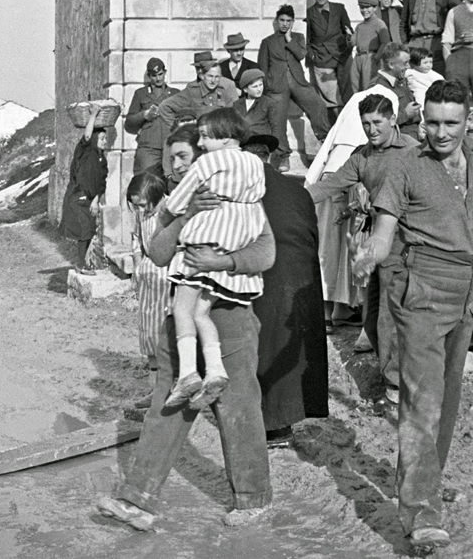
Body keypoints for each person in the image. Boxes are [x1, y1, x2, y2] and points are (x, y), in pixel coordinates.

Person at [96, 147, 276, 530]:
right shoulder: (180, 203)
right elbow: (158, 254)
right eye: (173, 159)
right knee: (167, 405)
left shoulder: (243, 201)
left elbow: (266, 253)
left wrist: (223, 262)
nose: (178, 166)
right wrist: (185, 214)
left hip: (231, 317)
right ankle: (137, 500)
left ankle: (253, 497)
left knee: (238, 407)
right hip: (181, 322)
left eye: (185, 157)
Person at [351, 79, 473, 552]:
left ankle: (426, 480)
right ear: (422, 120)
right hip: (422, 292)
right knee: (421, 400)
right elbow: (383, 232)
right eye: (433, 123)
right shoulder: (405, 165)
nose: (441, 133)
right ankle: (421, 512)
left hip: (466, 295)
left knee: (446, 397)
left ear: (467, 119)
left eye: (452, 123)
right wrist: (370, 255)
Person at [307, 94, 418, 405]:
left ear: (393, 119)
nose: (371, 130)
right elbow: (328, 187)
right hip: (374, 242)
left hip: (405, 244)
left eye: (377, 123)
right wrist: (290, 199)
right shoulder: (362, 157)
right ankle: (392, 380)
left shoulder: (413, 152)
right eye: (366, 124)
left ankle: (396, 388)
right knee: (371, 318)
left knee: (390, 316)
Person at [159, 109, 267, 410]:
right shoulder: (255, 163)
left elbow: (179, 203)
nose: (202, 143)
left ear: (226, 138)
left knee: (181, 308)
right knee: (201, 313)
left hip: (201, 243)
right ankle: (216, 370)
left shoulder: (209, 162)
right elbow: (257, 195)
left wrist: (171, 209)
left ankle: (188, 373)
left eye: (206, 136)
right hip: (234, 242)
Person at [240, 132, 328, 448]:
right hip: (302, 278)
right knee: (291, 351)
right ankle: (284, 424)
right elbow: (312, 238)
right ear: (270, 157)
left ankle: (267, 426)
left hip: (266, 275)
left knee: (262, 347)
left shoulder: (241, 189)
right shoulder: (296, 189)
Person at [259, 4, 332, 171]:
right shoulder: (267, 42)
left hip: (298, 81)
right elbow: (262, 67)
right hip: (276, 86)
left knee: (317, 105)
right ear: (277, 21)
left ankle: (324, 142)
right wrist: (266, 86)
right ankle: (284, 156)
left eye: (288, 21)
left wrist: (289, 40)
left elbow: (301, 55)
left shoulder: (298, 38)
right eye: (282, 20)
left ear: (292, 22)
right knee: (277, 120)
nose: (285, 24)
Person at [144, 53, 238, 177]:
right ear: (202, 75)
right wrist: (180, 131)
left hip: (222, 145)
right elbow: (165, 107)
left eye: (216, 77)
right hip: (200, 146)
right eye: (209, 76)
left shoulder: (228, 86)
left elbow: (236, 115)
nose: (213, 80)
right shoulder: (192, 90)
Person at [126, 171, 171, 410]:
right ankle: (154, 391)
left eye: (143, 204)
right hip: (147, 282)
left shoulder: (171, 211)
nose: (140, 209)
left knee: (165, 337)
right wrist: (136, 263)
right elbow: (136, 237)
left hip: (167, 282)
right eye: (136, 206)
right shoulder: (142, 214)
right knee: (149, 336)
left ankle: (166, 391)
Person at [59, 105, 108, 275]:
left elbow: (101, 184)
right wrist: (94, 114)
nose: (104, 142)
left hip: (90, 199)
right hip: (77, 196)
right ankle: (81, 264)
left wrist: (96, 200)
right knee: (84, 230)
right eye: (101, 139)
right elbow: (87, 135)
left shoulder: (102, 160)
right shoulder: (84, 151)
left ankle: (83, 262)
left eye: (105, 139)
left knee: (88, 230)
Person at [401, 0, 460, 75]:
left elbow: (459, 15)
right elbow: (403, 24)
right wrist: (405, 44)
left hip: (436, 44)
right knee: (414, 80)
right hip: (415, 45)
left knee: (438, 79)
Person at [306, 0, 354, 114]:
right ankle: (334, 130)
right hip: (322, 58)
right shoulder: (309, 13)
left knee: (348, 94)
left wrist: (350, 38)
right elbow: (308, 38)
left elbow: (348, 29)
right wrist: (312, 54)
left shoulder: (339, 8)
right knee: (332, 101)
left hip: (342, 56)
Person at [125, 57, 179, 174]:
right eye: (154, 76)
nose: (158, 78)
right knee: (147, 181)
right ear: (149, 76)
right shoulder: (141, 94)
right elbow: (129, 122)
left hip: (170, 145)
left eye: (160, 74)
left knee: (172, 183)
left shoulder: (175, 94)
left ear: (165, 73)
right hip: (149, 147)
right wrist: (144, 115)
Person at [373, 42, 423, 139]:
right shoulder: (378, 87)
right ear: (391, 64)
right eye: (405, 63)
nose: (408, 66)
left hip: (414, 138)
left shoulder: (401, 81)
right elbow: (377, 122)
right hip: (400, 142)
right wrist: (406, 114)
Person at [349, 0, 391, 93]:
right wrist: (348, 35)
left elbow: (385, 42)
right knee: (354, 86)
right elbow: (353, 43)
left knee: (368, 86)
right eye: (362, 8)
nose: (364, 10)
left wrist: (377, 57)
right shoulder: (360, 26)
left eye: (368, 7)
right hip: (358, 58)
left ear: (375, 8)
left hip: (371, 57)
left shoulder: (379, 23)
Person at [442, 0, 473, 94]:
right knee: (458, 98)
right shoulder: (454, 11)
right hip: (459, 59)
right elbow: (446, 40)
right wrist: (449, 63)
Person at [233, 69, 277, 141]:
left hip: (261, 143)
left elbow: (275, 127)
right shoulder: (237, 104)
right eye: (255, 86)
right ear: (245, 89)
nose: (259, 89)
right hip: (243, 143)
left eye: (260, 85)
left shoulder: (269, 103)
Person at [405, 46, 444, 120]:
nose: (428, 65)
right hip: (414, 98)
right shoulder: (410, 72)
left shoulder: (434, 75)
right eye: (425, 63)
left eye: (430, 62)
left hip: (428, 98)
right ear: (415, 63)